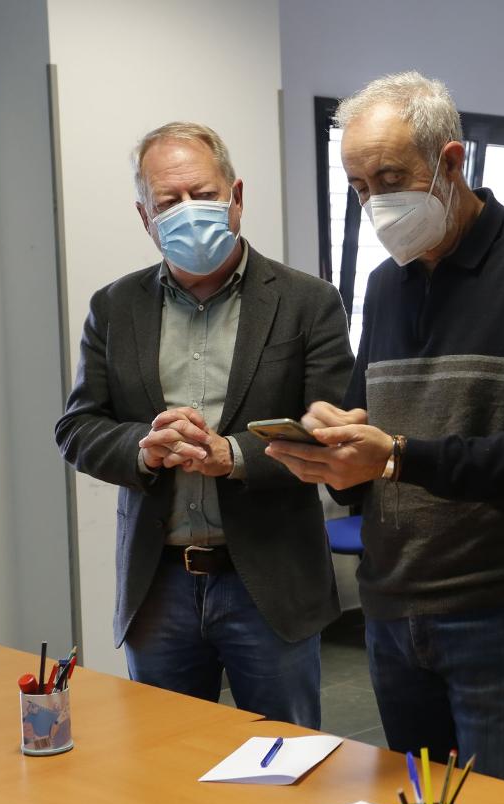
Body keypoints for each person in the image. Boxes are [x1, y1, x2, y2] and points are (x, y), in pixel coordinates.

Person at [266, 73, 504, 791]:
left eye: (391, 178)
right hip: (393, 607)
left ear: (451, 160)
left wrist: (396, 458)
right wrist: (332, 444)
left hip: (501, 611)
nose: (376, 203)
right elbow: (367, 430)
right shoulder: (386, 284)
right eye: (359, 187)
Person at [55, 122, 353, 728]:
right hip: (158, 584)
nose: (188, 210)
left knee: (286, 759)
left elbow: (329, 433)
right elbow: (78, 427)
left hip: (270, 580)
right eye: (169, 201)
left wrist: (233, 456)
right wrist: (143, 448)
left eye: (204, 193)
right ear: (145, 216)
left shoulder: (307, 301)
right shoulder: (114, 307)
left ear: (236, 196)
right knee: (163, 763)